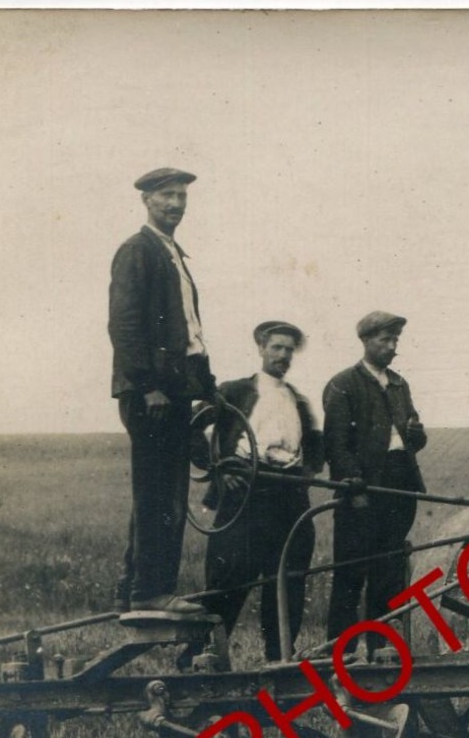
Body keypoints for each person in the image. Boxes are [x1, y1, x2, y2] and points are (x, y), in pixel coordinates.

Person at [108, 167, 217, 614]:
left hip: (175, 389)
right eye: (167, 196)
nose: (176, 204)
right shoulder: (137, 251)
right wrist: (148, 385)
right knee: (160, 493)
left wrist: (207, 386)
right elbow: (124, 324)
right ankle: (152, 591)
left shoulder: (173, 255)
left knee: (160, 491)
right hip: (153, 394)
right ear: (147, 201)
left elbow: (189, 332)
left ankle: (135, 587)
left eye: (182, 197)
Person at [201, 321, 323, 661]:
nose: (283, 355)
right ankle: (205, 657)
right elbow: (195, 428)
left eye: (288, 350)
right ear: (261, 349)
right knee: (229, 579)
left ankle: (279, 658)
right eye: (276, 347)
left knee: (287, 580)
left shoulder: (297, 399)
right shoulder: (235, 391)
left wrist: (307, 472)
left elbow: (315, 446)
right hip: (246, 494)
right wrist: (220, 469)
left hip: (290, 496)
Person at [323, 311, 427, 644]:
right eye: (385, 339)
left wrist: (416, 435)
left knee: (388, 573)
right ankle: (340, 650)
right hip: (363, 489)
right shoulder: (344, 384)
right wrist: (354, 487)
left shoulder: (399, 384)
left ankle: (379, 650)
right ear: (366, 341)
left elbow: (411, 442)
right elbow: (336, 444)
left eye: (396, 339)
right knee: (351, 572)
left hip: (400, 487)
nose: (392, 346)